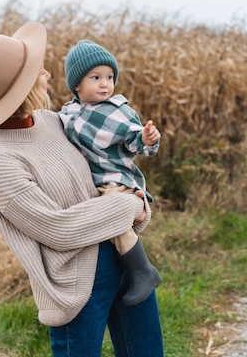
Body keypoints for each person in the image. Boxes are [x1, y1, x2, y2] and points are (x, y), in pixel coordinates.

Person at [0, 22, 164, 356]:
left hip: (125, 259)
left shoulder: (52, 122)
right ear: (26, 86)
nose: (47, 73)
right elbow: (59, 230)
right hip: (75, 286)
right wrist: (131, 204)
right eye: (37, 70)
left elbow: (106, 165)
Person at [59, 39, 162, 306]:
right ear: (77, 85)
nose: (105, 83)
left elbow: (133, 139)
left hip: (116, 181)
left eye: (109, 76)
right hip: (93, 184)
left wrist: (147, 138)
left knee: (112, 215)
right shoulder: (69, 111)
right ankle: (129, 271)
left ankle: (142, 270)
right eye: (96, 77)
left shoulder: (118, 112)